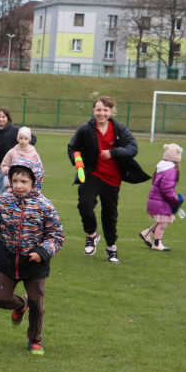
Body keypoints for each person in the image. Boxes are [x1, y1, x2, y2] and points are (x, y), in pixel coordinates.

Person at [0, 160, 64, 355]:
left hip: (35, 264)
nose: (18, 185)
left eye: (24, 181)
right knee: (0, 298)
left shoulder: (45, 206)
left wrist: (43, 252)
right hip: (8, 261)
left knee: (37, 303)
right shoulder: (2, 201)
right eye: (15, 180)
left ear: (35, 182)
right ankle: (20, 304)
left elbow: (56, 235)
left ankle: (35, 340)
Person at [66, 95, 149, 263]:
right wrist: (77, 160)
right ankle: (92, 234)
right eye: (98, 110)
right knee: (85, 204)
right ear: (93, 111)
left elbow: (133, 148)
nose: (101, 113)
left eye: (105, 110)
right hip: (91, 175)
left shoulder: (120, 130)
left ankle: (111, 247)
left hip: (112, 178)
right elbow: (73, 147)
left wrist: (114, 152)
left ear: (111, 111)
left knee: (109, 214)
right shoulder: (85, 129)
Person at [0, 107, 35, 194]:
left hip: (14, 167)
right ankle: (5, 206)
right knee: (2, 192)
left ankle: (11, 206)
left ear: (8, 118)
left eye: (3, 117)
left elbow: (32, 138)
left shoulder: (16, 130)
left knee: (13, 191)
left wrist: (22, 147)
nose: (1, 119)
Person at [140, 143, 183, 253]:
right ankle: (157, 243)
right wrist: (175, 201)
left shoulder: (161, 167)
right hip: (161, 201)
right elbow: (167, 189)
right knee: (164, 221)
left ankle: (147, 233)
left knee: (164, 219)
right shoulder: (171, 170)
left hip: (155, 198)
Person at [0, 126, 41, 190]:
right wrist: (10, 172)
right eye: (21, 138)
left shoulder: (34, 154)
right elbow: (3, 165)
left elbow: (39, 169)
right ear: (18, 139)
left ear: (29, 140)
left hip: (28, 186)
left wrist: (32, 177)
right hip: (12, 185)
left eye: (25, 139)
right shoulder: (12, 152)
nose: (23, 141)